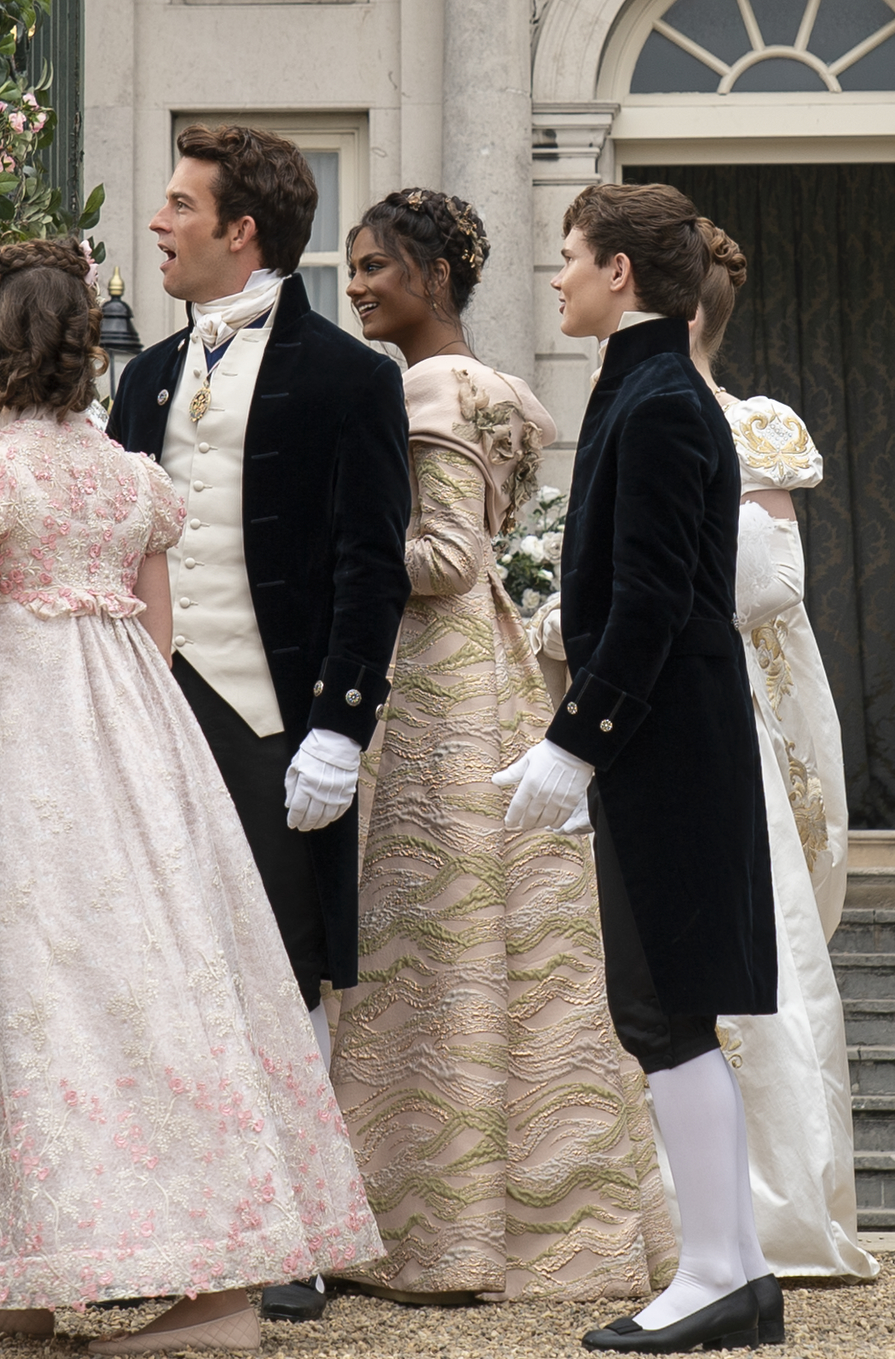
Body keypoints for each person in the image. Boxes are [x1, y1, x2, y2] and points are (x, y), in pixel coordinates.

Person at [0, 240, 382, 1351]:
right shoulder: (133, 478)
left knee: (41, 987)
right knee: (134, 981)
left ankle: (217, 1296)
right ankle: (16, 1272)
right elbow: (159, 631)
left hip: (38, 749)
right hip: (145, 746)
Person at [324, 189, 677, 1305]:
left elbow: (441, 558)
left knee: (427, 937)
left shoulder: (429, 390)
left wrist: (332, 521)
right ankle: (523, 1213)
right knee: (496, 943)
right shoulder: (494, 391)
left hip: (429, 679)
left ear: (433, 276)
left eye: (376, 265)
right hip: (487, 671)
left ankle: (431, 1222)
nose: (358, 284)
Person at [103, 123, 414, 1324]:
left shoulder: (350, 376)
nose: (159, 222)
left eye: (179, 204)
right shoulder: (142, 378)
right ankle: (185, 1227)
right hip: (154, 707)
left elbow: (367, 565)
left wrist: (340, 724)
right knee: (165, 964)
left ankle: (293, 1229)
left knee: (288, 966)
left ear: (242, 230)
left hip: (280, 717)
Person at [495, 181, 780, 1356]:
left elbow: (659, 603)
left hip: (670, 742)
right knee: (658, 1009)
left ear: (619, 272)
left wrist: (577, 743)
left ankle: (719, 1273)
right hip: (664, 737)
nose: (553, 276)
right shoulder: (644, 387)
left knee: (666, 1011)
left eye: (567, 257)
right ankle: (737, 1272)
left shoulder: (660, 400)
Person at [686, 223, 875, 1286]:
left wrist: (587, 615)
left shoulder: (752, 427)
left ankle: (766, 1207)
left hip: (737, 713)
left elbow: (765, 587)